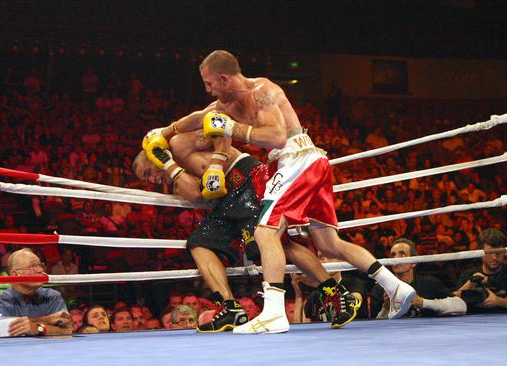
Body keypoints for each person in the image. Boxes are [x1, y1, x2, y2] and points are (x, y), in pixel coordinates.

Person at [147, 50, 414, 333]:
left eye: (210, 83)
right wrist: (164, 132)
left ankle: (274, 313)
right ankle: (395, 287)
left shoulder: (262, 90)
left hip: (296, 157)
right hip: (303, 163)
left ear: (224, 78)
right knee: (328, 244)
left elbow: (276, 136)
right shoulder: (228, 103)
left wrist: (234, 128)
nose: (207, 89)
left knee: (265, 231)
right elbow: (200, 117)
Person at [136, 130, 360, 331]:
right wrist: (168, 166)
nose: (153, 180)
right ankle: (229, 306)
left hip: (247, 181)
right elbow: (195, 193)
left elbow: (219, 130)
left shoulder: (178, 142)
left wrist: (168, 154)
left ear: (151, 155)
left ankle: (337, 293)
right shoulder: (175, 176)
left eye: (148, 173)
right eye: (147, 180)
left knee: (278, 244)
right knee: (199, 243)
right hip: (225, 203)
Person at [370, 238, 466, 318]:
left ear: (414, 262)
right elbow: (373, 323)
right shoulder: (381, 288)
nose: (396, 258)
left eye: (402, 254)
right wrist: (387, 307)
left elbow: (461, 305)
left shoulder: (429, 284)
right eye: (393, 255)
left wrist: (422, 302)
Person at [0, 248, 73, 337]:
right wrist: (48, 320)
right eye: (33, 266)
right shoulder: (2, 302)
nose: (40, 270)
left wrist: (38, 328)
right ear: (15, 274)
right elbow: (1, 329)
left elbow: (68, 330)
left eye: (41, 265)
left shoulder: (52, 296)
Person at [453, 228, 507, 313]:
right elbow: (452, 302)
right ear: (480, 253)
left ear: (504, 251)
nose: (494, 257)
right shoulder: (468, 275)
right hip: (472, 323)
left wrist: (499, 301)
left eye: (499, 252)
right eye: (490, 252)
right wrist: (468, 285)